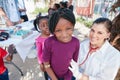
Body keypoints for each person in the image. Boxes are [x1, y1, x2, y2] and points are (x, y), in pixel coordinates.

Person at [42, 8, 80, 80]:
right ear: (53, 31)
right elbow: (46, 64)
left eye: (68, 28)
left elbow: (74, 63)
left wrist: (68, 77)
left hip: (69, 76)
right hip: (52, 76)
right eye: (58, 30)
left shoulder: (76, 43)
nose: (64, 35)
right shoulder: (49, 42)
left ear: (73, 26)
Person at [34, 15, 50, 80]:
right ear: (39, 28)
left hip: (56, 62)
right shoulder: (39, 40)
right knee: (49, 76)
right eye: (43, 26)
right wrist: (41, 63)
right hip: (47, 63)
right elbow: (39, 53)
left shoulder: (54, 36)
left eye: (48, 24)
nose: (46, 27)